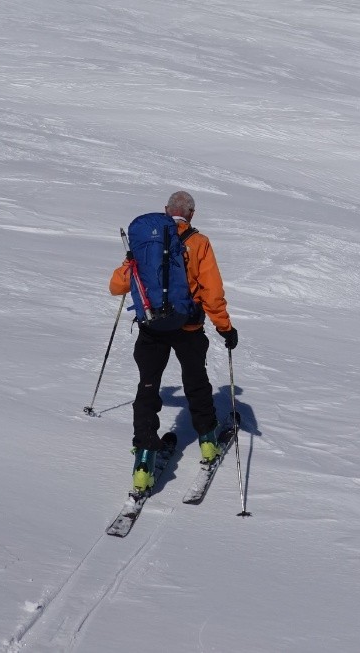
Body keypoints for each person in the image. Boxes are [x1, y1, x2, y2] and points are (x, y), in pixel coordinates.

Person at [110, 190, 239, 492]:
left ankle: (143, 463)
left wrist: (132, 263)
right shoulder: (199, 243)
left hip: (151, 327)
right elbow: (212, 291)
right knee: (196, 382)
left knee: (148, 389)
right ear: (191, 213)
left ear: (166, 210)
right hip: (188, 326)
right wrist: (225, 328)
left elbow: (117, 285)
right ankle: (208, 444)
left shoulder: (146, 242)